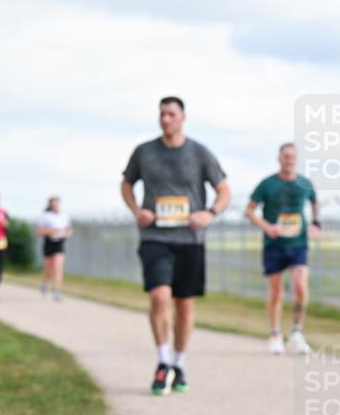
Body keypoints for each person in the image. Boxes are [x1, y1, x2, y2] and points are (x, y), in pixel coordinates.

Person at [120, 96, 231, 395]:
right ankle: (163, 361)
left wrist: (209, 214)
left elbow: (223, 190)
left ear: (183, 117)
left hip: (190, 239)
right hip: (155, 237)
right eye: (162, 114)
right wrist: (136, 210)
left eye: (171, 114)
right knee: (159, 296)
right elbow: (126, 183)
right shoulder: (144, 152)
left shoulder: (199, 153)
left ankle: (179, 363)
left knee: (184, 303)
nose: (165, 119)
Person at [245, 143, 320, 355]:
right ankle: (275, 334)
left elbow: (315, 202)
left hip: (298, 244)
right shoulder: (267, 184)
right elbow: (249, 211)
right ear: (279, 158)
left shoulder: (305, 183)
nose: (289, 160)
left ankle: (296, 332)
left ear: (296, 159)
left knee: (300, 286)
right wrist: (267, 227)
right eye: (285, 156)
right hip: (274, 245)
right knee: (277, 292)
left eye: (292, 157)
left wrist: (316, 223)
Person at [36, 196, 72, 301]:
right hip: (49, 242)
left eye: (57, 204)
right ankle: (45, 282)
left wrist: (68, 234)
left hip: (60, 242)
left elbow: (68, 229)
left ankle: (57, 290)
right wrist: (50, 231)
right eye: (53, 204)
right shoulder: (46, 216)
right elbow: (39, 231)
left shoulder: (64, 216)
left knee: (58, 266)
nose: (55, 206)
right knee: (49, 267)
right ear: (50, 205)